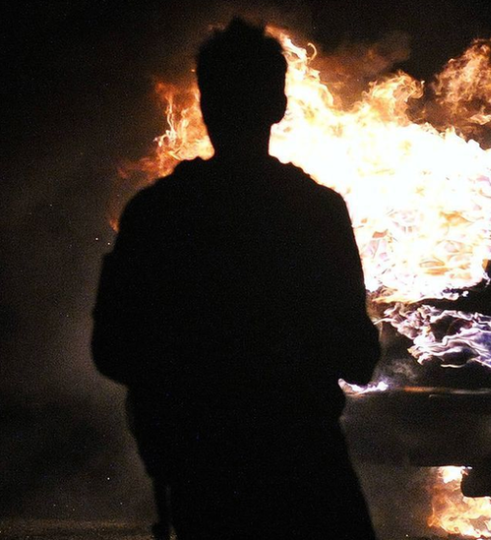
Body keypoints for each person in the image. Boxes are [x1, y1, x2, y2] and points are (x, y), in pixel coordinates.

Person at [92, 18, 380, 540]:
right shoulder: (317, 212)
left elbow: (112, 349)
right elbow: (358, 358)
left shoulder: (156, 214)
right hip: (307, 476)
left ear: (204, 106)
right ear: (279, 107)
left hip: (205, 482)